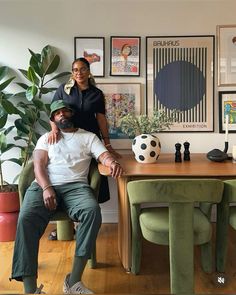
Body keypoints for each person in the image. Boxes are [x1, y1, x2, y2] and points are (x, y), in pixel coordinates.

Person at [11, 100, 123, 294]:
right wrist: (46, 187)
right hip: (43, 186)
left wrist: (111, 162)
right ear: (53, 119)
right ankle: (30, 289)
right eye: (57, 113)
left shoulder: (88, 137)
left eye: (65, 111)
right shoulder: (46, 137)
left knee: (92, 211)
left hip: (76, 187)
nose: (62, 115)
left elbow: (103, 155)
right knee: (26, 218)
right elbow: (38, 165)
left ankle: (73, 281)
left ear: (71, 114)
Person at [48, 57, 120, 240]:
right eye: (75, 70)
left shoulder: (96, 94)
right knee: (66, 177)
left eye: (82, 69)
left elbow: (101, 119)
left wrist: (107, 143)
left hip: (89, 141)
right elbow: (53, 112)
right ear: (72, 72)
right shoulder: (63, 90)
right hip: (67, 140)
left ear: (88, 71)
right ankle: (66, 227)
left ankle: (83, 224)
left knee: (89, 180)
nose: (78, 73)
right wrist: (54, 130)